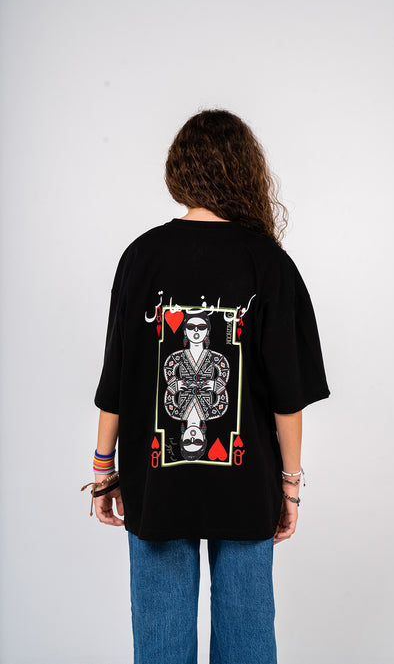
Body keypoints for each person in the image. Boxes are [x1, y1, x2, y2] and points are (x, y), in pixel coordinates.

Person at [81, 108, 331, 664]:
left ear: (179, 171)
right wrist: (290, 484)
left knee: (160, 643)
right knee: (247, 639)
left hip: (156, 483)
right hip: (246, 485)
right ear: (245, 171)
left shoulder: (141, 256)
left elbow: (115, 375)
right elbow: (288, 396)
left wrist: (103, 469)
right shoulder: (268, 263)